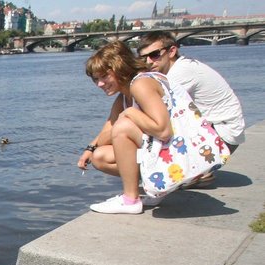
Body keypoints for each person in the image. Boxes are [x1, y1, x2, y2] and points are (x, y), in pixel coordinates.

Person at [137, 31, 244, 185]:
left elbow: (151, 111)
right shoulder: (178, 67)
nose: (148, 61)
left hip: (223, 135)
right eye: (143, 57)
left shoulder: (181, 73)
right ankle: (198, 173)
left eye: (154, 55)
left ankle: (196, 173)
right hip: (222, 131)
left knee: (152, 126)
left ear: (172, 51)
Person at [77, 41, 172, 215]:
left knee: (123, 126)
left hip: (177, 151)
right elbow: (108, 129)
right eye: (95, 79)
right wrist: (90, 148)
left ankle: (130, 200)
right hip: (164, 151)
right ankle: (155, 187)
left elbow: (164, 130)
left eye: (104, 76)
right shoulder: (124, 95)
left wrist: (129, 114)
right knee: (99, 157)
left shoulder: (141, 84)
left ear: (120, 67)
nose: (99, 84)